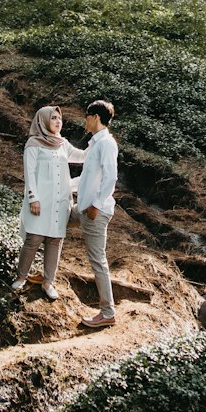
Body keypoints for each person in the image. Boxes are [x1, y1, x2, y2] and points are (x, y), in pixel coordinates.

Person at [11, 105, 84, 301]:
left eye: (59, 118)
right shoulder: (34, 144)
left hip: (60, 201)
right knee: (33, 239)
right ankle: (21, 277)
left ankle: (48, 282)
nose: (58, 121)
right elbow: (29, 172)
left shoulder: (62, 143)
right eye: (53, 118)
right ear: (43, 121)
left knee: (55, 240)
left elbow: (80, 156)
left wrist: (99, 146)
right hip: (40, 201)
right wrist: (33, 198)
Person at [75, 98, 119, 329]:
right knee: (55, 224)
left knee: (97, 260)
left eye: (86, 116)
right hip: (82, 208)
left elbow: (111, 177)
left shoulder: (106, 144)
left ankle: (107, 312)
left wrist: (96, 205)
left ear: (95, 118)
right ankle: (47, 276)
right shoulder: (94, 143)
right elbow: (86, 179)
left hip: (94, 212)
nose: (84, 120)